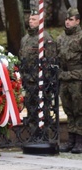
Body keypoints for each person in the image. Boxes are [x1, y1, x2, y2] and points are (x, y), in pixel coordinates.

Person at [19, 9, 57, 137]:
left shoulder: (45, 38)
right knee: (30, 109)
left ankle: (43, 135)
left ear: (41, 21)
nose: (30, 21)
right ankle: (33, 135)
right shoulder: (25, 38)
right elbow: (22, 58)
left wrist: (46, 80)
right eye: (30, 19)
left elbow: (51, 60)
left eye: (34, 19)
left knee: (43, 110)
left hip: (41, 82)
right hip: (28, 82)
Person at [57, 7, 82, 153]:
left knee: (79, 110)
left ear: (77, 21)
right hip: (64, 79)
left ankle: (79, 140)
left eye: (71, 19)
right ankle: (71, 139)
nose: (68, 22)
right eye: (66, 19)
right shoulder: (61, 38)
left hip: (77, 80)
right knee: (68, 109)